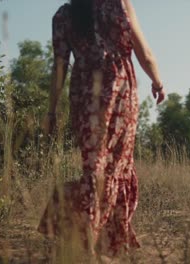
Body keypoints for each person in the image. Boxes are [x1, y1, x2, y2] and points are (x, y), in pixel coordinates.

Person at [37, 0, 165, 257]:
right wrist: (158, 82)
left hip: (84, 95)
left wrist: (51, 111)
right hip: (118, 93)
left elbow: (60, 67)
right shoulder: (118, 4)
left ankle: (91, 241)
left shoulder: (63, 15)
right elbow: (144, 53)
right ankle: (92, 245)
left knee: (95, 168)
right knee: (114, 168)